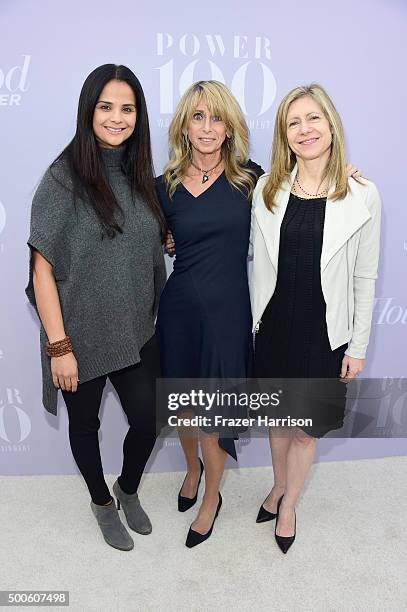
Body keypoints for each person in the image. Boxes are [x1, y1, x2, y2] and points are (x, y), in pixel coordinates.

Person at [25, 64, 167, 551]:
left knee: (148, 421)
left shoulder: (141, 177)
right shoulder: (62, 178)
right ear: (88, 111)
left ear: (138, 116)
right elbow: (41, 268)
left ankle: (126, 489)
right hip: (78, 335)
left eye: (127, 108)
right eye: (105, 106)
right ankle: (101, 503)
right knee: (85, 426)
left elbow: (145, 237)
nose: (116, 117)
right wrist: (59, 346)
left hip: (135, 330)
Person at [250, 83, 381, 553]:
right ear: (285, 134)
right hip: (275, 327)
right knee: (277, 421)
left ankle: (288, 505)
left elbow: (365, 278)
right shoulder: (266, 188)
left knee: (305, 429)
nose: (304, 130)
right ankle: (278, 484)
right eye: (293, 122)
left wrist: (359, 347)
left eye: (313, 119)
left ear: (331, 125)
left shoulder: (363, 194)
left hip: (326, 335)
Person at [156, 80, 264, 547]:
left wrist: (349, 176)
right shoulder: (164, 186)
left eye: (216, 117)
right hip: (179, 311)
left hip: (228, 314)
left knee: (215, 417)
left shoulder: (251, 179)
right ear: (184, 125)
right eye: (197, 116)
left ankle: (211, 497)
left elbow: (307, 192)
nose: (206, 127)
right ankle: (191, 468)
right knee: (184, 409)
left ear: (229, 127)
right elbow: (158, 239)